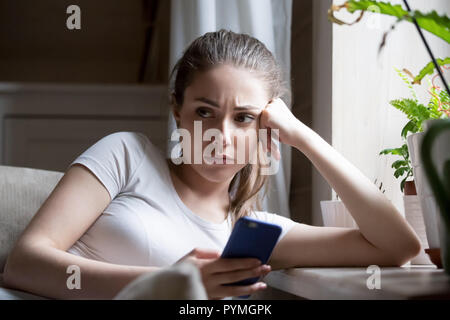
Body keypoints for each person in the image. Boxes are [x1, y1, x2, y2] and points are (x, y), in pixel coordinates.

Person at [3, 29, 421, 300]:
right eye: (205, 111)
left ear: (266, 126)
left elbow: (398, 246)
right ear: (178, 111)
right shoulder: (126, 155)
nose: (220, 133)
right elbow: (24, 263)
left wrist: (303, 137)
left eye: (243, 118)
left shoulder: (255, 233)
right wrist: (172, 285)